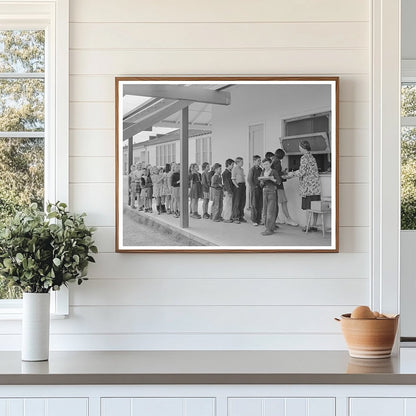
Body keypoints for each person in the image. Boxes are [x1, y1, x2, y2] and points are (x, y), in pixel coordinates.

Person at [287, 140, 321, 232]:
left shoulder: (304, 157)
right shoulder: (312, 157)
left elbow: (302, 172)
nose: (299, 149)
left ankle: (307, 225)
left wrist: (291, 174)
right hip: (315, 187)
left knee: (308, 207)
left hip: (308, 187)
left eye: (299, 147)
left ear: (303, 147)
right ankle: (314, 225)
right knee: (315, 206)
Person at [274, 149, 298, 226]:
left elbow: (277, 172)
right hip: (278, 185)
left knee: (276, 202)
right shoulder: (277, 162)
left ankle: (277, 218)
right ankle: (288, 219)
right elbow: (277, 174)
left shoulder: (273, 160)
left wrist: (283, 172)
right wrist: (287, 175)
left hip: (274, 185)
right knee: (283, 202)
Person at [259, 158, 281, 236]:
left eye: (267, 164)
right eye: (264, 164)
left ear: (270, 164)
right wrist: (261, 181)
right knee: (265, 211)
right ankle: (268, 228)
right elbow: (261, 184)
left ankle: (269, 229)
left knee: (270, 211)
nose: (266, 166)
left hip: (272, 192)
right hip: (264, 191)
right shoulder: (263, 171)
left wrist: (272, 179)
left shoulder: (274, 171)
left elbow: (278, 182)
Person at [247, 155, 263, 226]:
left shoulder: (260, 169)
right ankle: (254, 220)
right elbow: (249, 180)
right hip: (254, 189)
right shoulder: (252, 169)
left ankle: (259, 219)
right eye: (258, 160)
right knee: (254, 204)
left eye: (260, 160)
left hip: (260, 189)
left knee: (260, 204)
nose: (260, 162)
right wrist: (254, 187)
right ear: (254, 161)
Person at [231, 157, 246, 224]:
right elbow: (233, 179)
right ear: (237, 162)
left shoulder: (242, 169)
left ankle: (241, 216)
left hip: (243, 186)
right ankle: (235, 217)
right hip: (238, 186)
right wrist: (237, 186)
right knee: (236, 202)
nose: (242, 163)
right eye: (241, 162)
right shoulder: (234, 169)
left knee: (242, 202)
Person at [222, 158, 235, 223]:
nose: (233, 166)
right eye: (232, 165)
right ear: (228, 165)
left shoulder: (229, 172)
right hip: (228, 191)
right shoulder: (225, 173)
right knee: (228, 204)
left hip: (230, 190)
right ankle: (226, 218)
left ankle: (228, 216)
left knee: (229, 204)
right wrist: (229, 191)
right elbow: (226, 183)